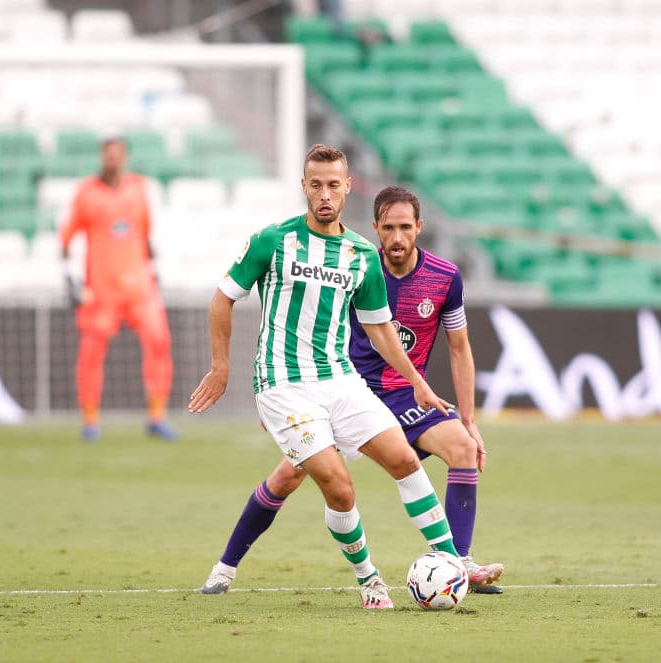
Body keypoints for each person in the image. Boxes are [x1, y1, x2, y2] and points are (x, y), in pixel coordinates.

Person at [189, 145, 462, 609]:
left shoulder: (360, 253)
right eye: (315, 184)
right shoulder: (273, 241)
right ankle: (369, 578)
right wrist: (220, 367)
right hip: (282, 382)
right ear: (304, 187)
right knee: (338, 484)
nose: (324, 194)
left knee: (404, 460)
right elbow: (222, 298)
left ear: (348, 187)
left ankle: (452, 563)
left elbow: (379, 329)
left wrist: (417, 379)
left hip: (339, 379)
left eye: (333, 185)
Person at [59, 137, 176, 442]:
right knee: (91, 354)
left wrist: (154, 271)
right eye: (108, 154)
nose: (112, 159)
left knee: (158, 343)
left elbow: (147, 235)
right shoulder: (87, 193)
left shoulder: (138, 189)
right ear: (102, 157)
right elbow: (66, 239)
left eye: (117, 154)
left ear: (124, 157)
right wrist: (70, 280)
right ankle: (90, 420)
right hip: (101, 290)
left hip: (139, 286)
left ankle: (156, 416)